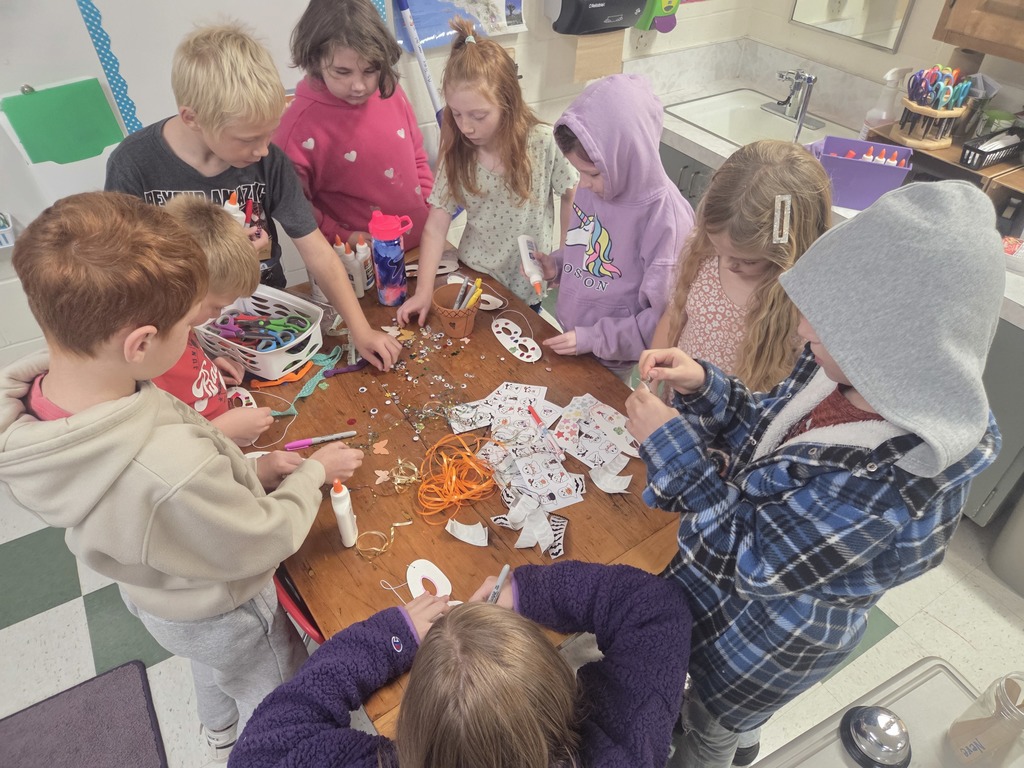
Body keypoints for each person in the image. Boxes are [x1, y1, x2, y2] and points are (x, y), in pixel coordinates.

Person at [624, 181, 1005, 768]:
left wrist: (672, 449)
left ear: (886, 354)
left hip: (765, 646)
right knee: (705, 696)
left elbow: (749, 557)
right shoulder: (839, 372)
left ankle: (725, 748)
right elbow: (765, 433)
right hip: (730, 603)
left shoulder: (887, 485)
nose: (802, 332)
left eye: (823, 327)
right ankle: (736, 735)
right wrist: (706, 387)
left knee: (712, 723)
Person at [0, 191, 365, 762]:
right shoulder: (170, 465)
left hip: (162, 593)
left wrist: (249, 466)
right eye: (189, 322)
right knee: (277, 692)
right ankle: (275, 750)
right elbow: (261, 537)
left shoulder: (45, 406)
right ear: (141, 343)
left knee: (209, 662)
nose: (197, 330)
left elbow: (162, 495)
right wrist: (311, 473)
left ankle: (218, 730)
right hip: (228, 609)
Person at [104, 23, 401, 371]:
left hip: (263, 315)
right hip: (178, 335)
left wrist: (360, 330)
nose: (262, 151)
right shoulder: (134, 164)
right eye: (247, 140)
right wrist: (194, 356)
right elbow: (126, 277)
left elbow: (317, 250)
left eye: (269, 134)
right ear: (192, 118)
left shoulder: (270, 161)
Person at [229, 560, 692, 768]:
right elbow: (656, 607)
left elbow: (268, 739)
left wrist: (391, 637)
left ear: (414, 723)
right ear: (562, 693)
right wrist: (529, 592)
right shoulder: (623, 743)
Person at [397, 19, 578, 324]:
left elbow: (573, 194)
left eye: (478, 116)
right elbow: (435, 226)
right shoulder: (458, 152)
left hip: (526, 284)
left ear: (508, 104)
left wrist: (566, 256)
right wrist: (423, 292)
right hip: (474, 278)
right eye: (456, 114)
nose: (466, 127)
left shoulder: (543, 142)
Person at [530, 74, 695, 381]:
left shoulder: (667, 220)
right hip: (573, 339)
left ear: (628, 155)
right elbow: (587, 252)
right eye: (579, 172)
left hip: (612, 358)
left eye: (592, 174)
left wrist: (594, 338)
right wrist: (558, 266)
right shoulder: (593, 188)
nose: (583, 184)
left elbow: (664, 322)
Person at [650, 140, 832, 393]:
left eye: (748, 261)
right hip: (676, 404)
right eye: (719, 250)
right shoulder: (701, 250)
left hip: (737, 415)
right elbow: (673, 315)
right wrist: (652, 380)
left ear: (787, 251)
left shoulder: (803, 304)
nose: (727, 264)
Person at [274, 0, 433, 251]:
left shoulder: (389, 90)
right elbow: (293, 203)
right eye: (342, 72)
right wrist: (339, 235)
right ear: (315, 59)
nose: (359, 86)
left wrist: (429, 205)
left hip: (424, 243)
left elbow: (417, 156)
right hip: (357, 258)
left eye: (370, 70)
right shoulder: (298, 125)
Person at [157, 195, 274, 446]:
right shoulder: (151, 355)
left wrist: (209, 365)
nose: (219, 315)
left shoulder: (182, 323)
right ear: (185, 290)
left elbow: (186, 368)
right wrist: (225, 429)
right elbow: (166, 448)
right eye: (217, 306)